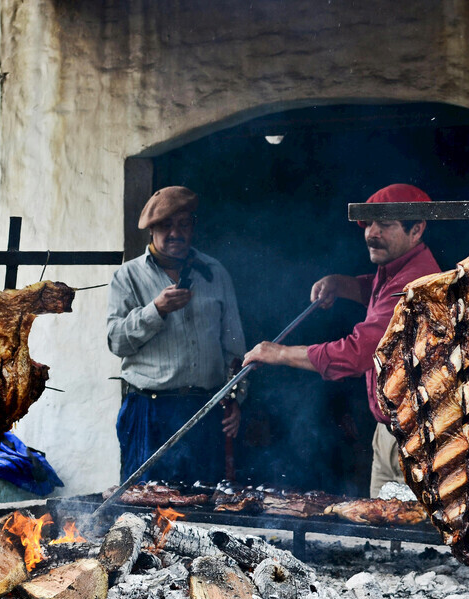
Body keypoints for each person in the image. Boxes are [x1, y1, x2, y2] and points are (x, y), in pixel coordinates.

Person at [242, 183, 440, 496]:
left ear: (416, 230)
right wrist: (341, 284)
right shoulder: (396, 270)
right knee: (381, 523)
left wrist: (279, 354)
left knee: (409, 526)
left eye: (385, 225)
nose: (371, 233)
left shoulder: (413, 283)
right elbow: (379, 293)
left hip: (416, 439)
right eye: (368, 224)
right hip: (390, 433)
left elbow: (358, 353)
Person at [107, 185, 246, 484]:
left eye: (183, 224)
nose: (175, 233)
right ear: (151, 230)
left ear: (193, 227)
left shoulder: (215, 273)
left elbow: (234, 348)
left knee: (204, 501)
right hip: (149, 412)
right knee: (143, 504)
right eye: (166, 225)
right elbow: (116, 341)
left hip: (205, 410)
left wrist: (235, 398)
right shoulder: (127, 277)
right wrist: (155, 310)